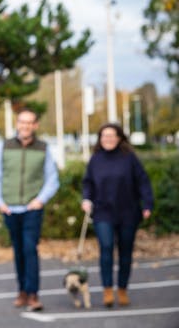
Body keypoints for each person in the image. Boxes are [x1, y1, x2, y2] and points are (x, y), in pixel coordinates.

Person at [0, 108, 60, 311]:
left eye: (29, 123)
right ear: (17, 124)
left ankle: (33, 294)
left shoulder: (43, 148)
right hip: (9, 208)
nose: (25, 126)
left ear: (35, 125)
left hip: (32, 208)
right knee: (19, 251)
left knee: (30, 249)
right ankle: (22, 291)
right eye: (22, 122)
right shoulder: (5, 146)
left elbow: (52, 179)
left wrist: (40, 200)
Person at [81, 123, 153, 307]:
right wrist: (86, 199)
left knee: (125, 251)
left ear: (119, 138)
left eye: (112, 135)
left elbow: (143, 181)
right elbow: (88, 182)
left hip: (128, 212)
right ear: (100, 138)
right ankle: (107, 289)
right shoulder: (96, 159)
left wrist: (147, 204)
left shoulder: (129, 158)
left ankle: (122, 289)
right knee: (106, 248)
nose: (108, 139)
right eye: (104, 136)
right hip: (103, 212)